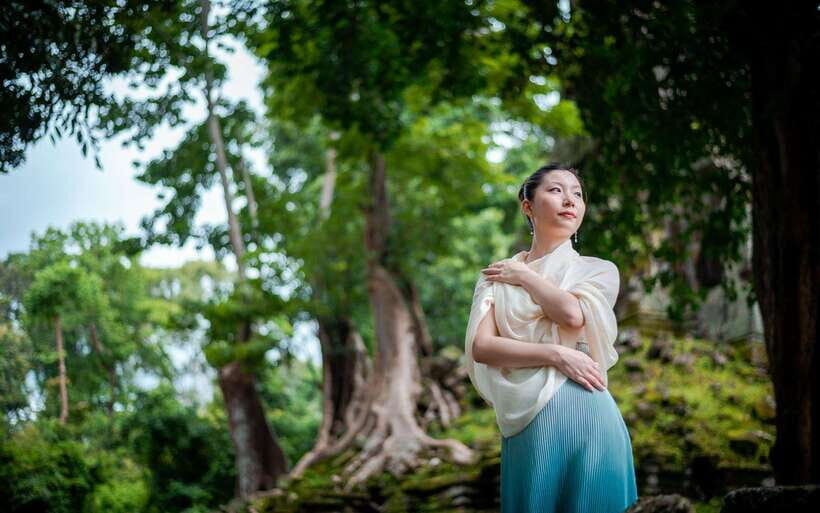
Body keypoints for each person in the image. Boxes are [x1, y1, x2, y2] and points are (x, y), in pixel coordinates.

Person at [464, 163, 638, 513]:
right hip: (526, 418)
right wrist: (556, 354)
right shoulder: (495, 276)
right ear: (528, 206)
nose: (569, 200)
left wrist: (524, 276)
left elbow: (571, 314)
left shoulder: (597, 269)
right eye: (556, 190)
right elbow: (482, 347)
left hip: (589, 411)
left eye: (577, 194)